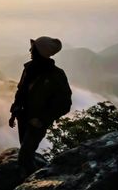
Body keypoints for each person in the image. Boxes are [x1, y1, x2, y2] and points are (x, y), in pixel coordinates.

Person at [9, 36, 72, 175]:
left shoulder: (56, 75)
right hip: (23, 117)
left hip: (37, 123)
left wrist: (42, 119)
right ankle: (28, 178)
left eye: (33, 48)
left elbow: (65, 104)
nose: (30, 50)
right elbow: (21, 92)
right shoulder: (29, 69)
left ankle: (31, 184)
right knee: (26, 152)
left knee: (25, 156)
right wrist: (14, 113)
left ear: (40, 52)